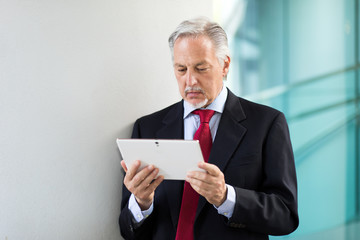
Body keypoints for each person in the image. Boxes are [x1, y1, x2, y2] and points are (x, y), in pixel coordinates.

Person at [119, 17, 299, 240]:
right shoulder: (147, 127)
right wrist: (141, 203)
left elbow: (285, 216)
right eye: (181, 69)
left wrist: (226, 197)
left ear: (224, 65)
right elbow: (127, 230)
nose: (190, 80)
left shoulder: (267, 123)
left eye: (201, 68)